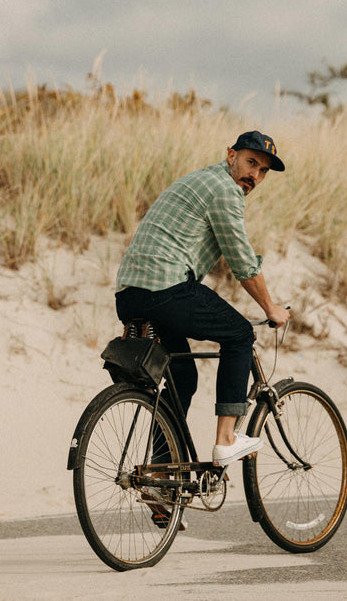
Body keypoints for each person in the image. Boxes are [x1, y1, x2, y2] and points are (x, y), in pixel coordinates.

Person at [115, 130, 290, 467]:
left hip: (130, 294)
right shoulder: (225, 190)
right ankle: (226, 440)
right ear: (231, 156)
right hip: (165, 288)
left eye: (263, 171)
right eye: (251, 162)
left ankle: (162, 471)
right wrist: (271, 308)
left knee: (183, 377)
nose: (254, 175)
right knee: (239, 335)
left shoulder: (201, 180)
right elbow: (240, 259)